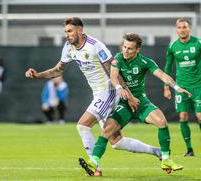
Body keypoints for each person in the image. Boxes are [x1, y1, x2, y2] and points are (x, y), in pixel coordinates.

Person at [26, 17, 161, 176]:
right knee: (116, 141)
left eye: (70, 31)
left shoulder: (95, 46)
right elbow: (58, 70)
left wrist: (128, 94)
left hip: (108, 92)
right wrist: (38, 75)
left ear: (79, 30)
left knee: (82, 125)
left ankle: (94, 166)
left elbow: (114, 71)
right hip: (98, 94)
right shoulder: (68, 47)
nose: (67, 35)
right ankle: (156, 151)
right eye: (65, 32)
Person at [79, 33, 191, 176]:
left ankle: (166, 159)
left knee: (162, 121)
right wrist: (119, 89)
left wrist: (176, 87)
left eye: (130, 48)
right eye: (124, 47)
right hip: (123, 104)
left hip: (140, 102)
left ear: (137, 50)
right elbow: (114, 76)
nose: (125, 50)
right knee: (107, 130)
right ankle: (93, 162)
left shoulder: (145, 62)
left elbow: (162, 75)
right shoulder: (117, 59)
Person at [164, 18, 201, 157]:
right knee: (183, 116)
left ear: (189, 28)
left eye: (184, 27)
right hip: (181, 87)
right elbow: (167, 67)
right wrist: (166, 87)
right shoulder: (173, 46)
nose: (182, 30)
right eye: (179, 27)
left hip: (198, 86)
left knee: (200, 116)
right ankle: (189, 149)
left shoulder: (198, 43)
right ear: (176, 30)